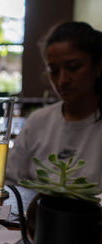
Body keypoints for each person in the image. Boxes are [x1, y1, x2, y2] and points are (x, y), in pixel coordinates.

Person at [6, 21, 102, 188]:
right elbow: (9, 180)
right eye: (54, 70)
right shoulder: (38, 121)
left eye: (74, 67)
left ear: (98, 65)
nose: (62, 80)